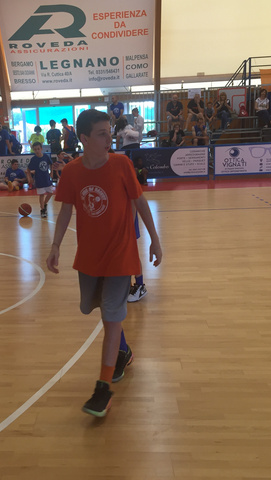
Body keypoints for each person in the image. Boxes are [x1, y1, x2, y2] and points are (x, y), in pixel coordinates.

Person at [46, 109, 162, 417]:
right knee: (101, 312)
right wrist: (55, 245)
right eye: (101, 134)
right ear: (84, 138)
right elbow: (66, 211)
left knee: (111, 318)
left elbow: (140, 201)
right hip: (89, 259)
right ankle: (123, 351)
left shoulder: (122, 165)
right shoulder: (72, 172)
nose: (109, 138)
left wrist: (155, 238)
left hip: (120, 257)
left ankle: (103, 389)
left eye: (109, 132)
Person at [27, 142, 54, 218]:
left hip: (46, 178)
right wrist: (30, 178)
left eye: (38, 149)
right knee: (41, 195)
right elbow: (28, 169)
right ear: (33, 150)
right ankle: (42, 209)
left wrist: (52, 172)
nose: (37, 151)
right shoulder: (34, 159)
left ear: (41, 149)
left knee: (50, 193)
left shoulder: (46, 156)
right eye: (35, 149)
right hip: (39, 179)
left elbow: (51, 164)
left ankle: (44, 204)